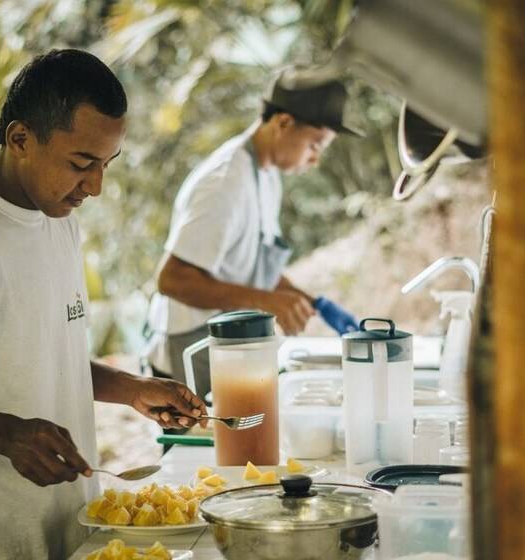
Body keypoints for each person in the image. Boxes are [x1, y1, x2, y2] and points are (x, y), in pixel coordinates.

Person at [0, 49, 207, 559]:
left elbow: (39, 352)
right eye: (81, 163)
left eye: (105, 165)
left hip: (70, 527)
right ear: (20, 139)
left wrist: (131, 389)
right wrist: (7, 436)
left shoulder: (57, 217)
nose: (94, 186)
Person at [144, 66, 362, 398]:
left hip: (226, 347)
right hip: (189, 354)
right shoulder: (224, 185)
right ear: (284, 123)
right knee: (198, 448)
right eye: (315, 144)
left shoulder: (266, 173)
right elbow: (172, 280)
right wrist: (266, 301)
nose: (316, 159)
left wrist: (311, 302)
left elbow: (252, 266)